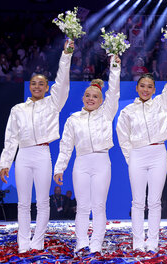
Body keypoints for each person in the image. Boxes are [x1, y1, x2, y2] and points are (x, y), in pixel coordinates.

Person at [0, 40, 74, 253]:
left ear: (47, 87)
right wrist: (5, 163)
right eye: (34, 84)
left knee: (42, 202)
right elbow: (11, 138)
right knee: (23, 203)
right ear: (29, 86)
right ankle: (23, 244)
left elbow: (63, 84)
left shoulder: (52, 103)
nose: (37, 87)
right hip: (23, 155)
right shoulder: (18, 109)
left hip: (42, 154)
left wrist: (66, 56)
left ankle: (37, 241)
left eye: (41, 84)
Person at [116, 41, 167, 252]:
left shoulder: (162, 103)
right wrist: (131, 158)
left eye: (150, 86)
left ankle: (152, 242)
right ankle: (137, 243)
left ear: (155, 89)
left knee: (154, 202)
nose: (146, 89)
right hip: (136, 154)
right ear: (137, 88)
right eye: (142, 86)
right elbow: (122, 138)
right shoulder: (127, 111)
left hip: (158, 154)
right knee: (137, 202)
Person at [53, 55, 121, 254]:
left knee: (98, 205)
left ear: (101, 100)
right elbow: (66, 146)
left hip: (101, 161)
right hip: (81, 163)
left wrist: (115, 66)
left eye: (95, 97)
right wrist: (59, 168)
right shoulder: (74, 119)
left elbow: (114, 91)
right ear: (83, 98)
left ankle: (96, 244)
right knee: (82, 206)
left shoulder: (107, 113)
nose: (91, 99)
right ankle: (81, 243)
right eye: (88, 96)